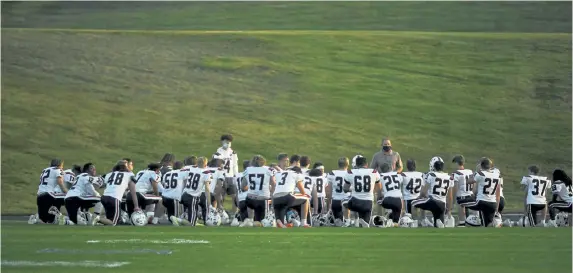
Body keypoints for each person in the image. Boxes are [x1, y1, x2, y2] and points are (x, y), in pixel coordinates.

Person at [94, 161, 140, 226]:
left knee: (110, 219)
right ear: (126, 167)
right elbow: (133, 193)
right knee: (114, 223)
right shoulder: (130, 175)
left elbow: (101, 185)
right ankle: (98, 219)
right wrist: (136, 206)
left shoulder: (109, 174)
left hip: (104, 197)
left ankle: (99, 221)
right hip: (114, 198)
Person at [412, 158, 453, 228]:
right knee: (437, 225)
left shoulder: (431, 175)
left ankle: (415, 224)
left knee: (413, 203)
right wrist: (449, 210)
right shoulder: (449, 177)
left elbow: (423, 192)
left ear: (433, 166)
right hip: (442, 205)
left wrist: (419, 198)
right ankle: (438, 222)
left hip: (432, 202)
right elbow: (450, 197)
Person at [343, 155, 381, 228]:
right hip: (368, 203)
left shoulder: (351, 172)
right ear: (366, 164)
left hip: (355, 202)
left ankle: (351, 220)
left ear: (356, 165)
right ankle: (361, 221)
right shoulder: (374, 172)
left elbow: (345, 189)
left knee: (344, 201)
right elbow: (379, 188)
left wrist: (353, 189)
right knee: (365, 225)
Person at [272, 154, 309, 228]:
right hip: (286, 197)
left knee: (281, 222)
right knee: (306, 199)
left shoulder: (279, 173)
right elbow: (302, 191)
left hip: (275, 198)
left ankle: (280, 221)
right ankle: (303, 223)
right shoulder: (296, 174)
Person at [462, 158, 501, 227]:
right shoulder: (496, 175)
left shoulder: (480, 174)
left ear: (481, 165)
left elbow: (468, 181)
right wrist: (496, 208)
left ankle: (463, 222)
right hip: (493, 203)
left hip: (482, 202)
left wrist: (476, 171)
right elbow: (498, 193)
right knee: (488, 224)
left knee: (461, 202)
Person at [370, 138, 403, 215]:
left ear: (391, 145)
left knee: (392, 198)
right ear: (381, 145)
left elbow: (400, 167)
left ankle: (391, 216)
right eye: (385, 144)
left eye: (388, 144)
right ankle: (379, 217)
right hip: (381, 181)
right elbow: (372, 169)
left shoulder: (396, 155)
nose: (387, 146)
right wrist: (377, 176)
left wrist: (395, 173)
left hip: (392, 182)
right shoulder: (377, 156)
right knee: (379, 198)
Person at [178, 157, 213, 226]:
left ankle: (182, 218)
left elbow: (183, 178)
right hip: (192, 197)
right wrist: (209, 202)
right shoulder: (206, 172)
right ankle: (179, 220)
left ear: (197, 163)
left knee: (192, 219)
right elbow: (207, 188)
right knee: (192, 223)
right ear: (206, 164)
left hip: (184, 194)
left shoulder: (191, 169)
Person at [243, 155, 276, 224]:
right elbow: (273, 183)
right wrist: (271, 191)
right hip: (263, 199)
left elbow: (242, 186)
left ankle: (250, 220)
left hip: (250, 199)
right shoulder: (268, 169)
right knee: (264, 222)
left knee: (254, 221)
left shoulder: (248, 169)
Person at [35, 159, 67, 224]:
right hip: (49, 195)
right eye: (62, 165)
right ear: (59, 165)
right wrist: (66, 191)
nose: (62, 167)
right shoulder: (58, 170)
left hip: (39, 196)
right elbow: (60, 182)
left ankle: (36, 217)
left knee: (43, 220)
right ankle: (56, 213)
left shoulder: (45, 170)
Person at [213, 134, 239, 213]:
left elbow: (235, 165)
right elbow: (216, 166)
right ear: (222, 141)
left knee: (234, 196)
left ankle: (234, 213)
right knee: (220, 197)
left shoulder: (233, 153)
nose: (227, 143)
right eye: (226, 141)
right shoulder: (218, 152)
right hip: (221, 177)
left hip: (230, 176)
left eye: (229, 142)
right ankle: (220, 213)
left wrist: (236, 176)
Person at [326, 157, 351, 226]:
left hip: (335, 201)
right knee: (346, 222)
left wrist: (329, 204)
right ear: (348, 164)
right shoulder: (350, 173)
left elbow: (329, 191)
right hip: (346, 202)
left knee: (338, 223)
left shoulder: (332, 173)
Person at [451, 155, 475, 226]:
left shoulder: (456, 173)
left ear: (456, 163)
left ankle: (462, 222)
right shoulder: (470, 171)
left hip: (462, 198)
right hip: (471, 196)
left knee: (459, 199)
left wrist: (453, 201)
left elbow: (455, 188)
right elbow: (473, 184)